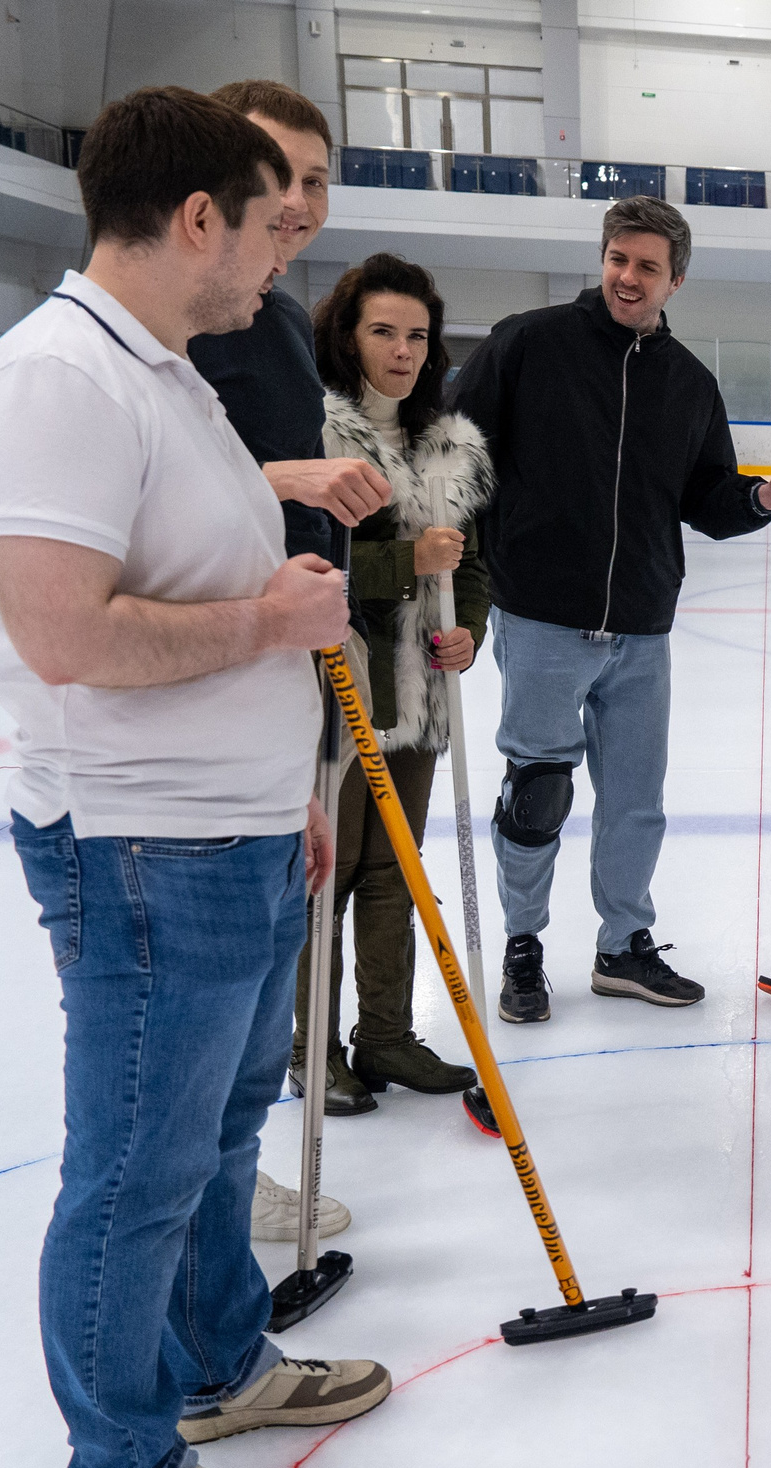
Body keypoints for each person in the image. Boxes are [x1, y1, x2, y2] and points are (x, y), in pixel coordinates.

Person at [0, 86, 392, 1468]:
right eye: (270, 226)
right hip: (142, 846)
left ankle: (222, 1363)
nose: (285, 256)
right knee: (136, 1169)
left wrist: (288, 798)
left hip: (239, 829)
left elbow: (178, 521)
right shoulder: (55, 381)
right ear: (195, 217)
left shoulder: (170, 372)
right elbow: (68, 632)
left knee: (215, 1140)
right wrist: (273, 618)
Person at [448, 197, 771, 1023]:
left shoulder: (688, 382)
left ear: (674, 280)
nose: (628, 276)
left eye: (648, 266)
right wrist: (456, 568)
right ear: (604, 259)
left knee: (636, 800)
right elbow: (457, 454)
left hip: (643, 627)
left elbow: (709, 496)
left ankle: (623, 944)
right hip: (542, 614)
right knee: (537, 790)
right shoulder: (528, 342)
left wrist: (764, 495)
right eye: (619, 258)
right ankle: (523, 944)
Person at [189, 79, 389, 1240]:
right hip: (206, 676)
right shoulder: (187, 317)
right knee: (217, 977)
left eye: (318, 178)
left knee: (272, 946)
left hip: (288, 658)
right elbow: (162, 488)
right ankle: (207, 1194)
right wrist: (294, 482)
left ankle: (232, 1166)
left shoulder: (271, 315)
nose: (301, 201)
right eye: (281, 174)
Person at [296, 253, 493, 1106]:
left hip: (420, 700)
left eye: (417, 334)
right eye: (384, 330)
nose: (403, 350)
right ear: (348, 334)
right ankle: (313, 1044)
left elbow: (471, 567)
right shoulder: (320, 436)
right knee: (330, 871)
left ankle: (384, 1035)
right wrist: (403, 559)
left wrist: (469, 633)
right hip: (342, 688)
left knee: (394, 871)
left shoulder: (451, 446)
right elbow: (310, 563)